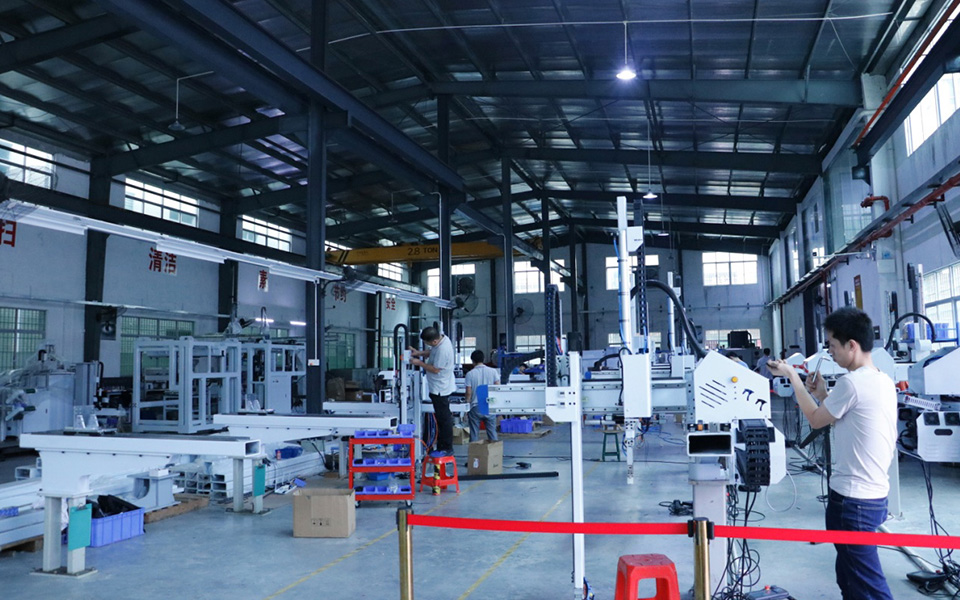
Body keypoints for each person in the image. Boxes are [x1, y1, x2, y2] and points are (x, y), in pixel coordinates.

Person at [766, 307, 896, 600]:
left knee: (868, 585)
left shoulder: (853, 382)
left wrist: (792, 376)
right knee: (848, 575)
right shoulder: (881, 379)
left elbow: (815, 420)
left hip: (855, 500)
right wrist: (823, 395)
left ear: (852, 345)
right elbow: (843, 418)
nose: (831, 352)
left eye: (833, 345)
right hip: (866, 495)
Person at [407, 327, 456, 457]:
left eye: (428, 343)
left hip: (440, 388)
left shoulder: (443, 350)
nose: (428, 345)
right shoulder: (441, 340)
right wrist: (418, 353)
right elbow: (431, 352)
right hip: (437, 386)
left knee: (443, 419)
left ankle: (446, 448)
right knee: (442, 418)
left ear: (434, 341)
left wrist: (419, 363)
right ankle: (442, 446)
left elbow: (435, 369)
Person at [464, 350, 500, 442]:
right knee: (492, 432)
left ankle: (474, 450)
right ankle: (495, 449)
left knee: (474, 433)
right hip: (489, 406)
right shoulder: (493, 372)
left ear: (472, 361)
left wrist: (467, 405)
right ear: (483, 359)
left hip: (475, 407)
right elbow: (497, 388)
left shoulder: (470, 374)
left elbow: (468, 392)